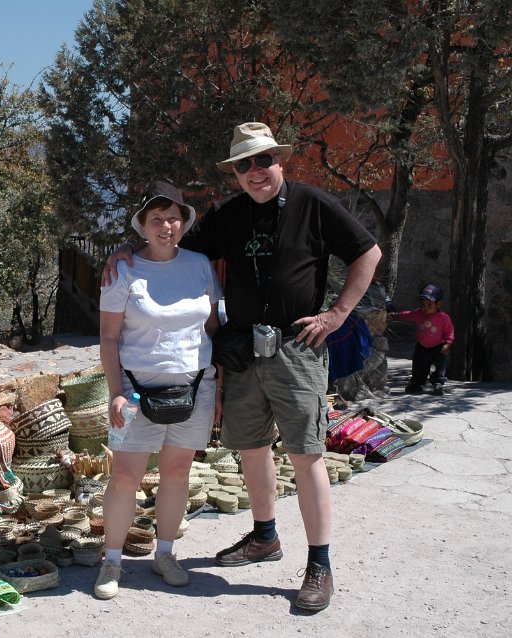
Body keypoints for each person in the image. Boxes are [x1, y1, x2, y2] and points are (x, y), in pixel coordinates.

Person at [103, 123, 382, 611]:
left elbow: (369, 252)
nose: (255, 171)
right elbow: (169, 244)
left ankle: (319, 565)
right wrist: (125, 249)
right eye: (244, 164)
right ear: (235, 172)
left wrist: (336, 315)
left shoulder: (313, 204)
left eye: (263, 160)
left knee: (306, 454)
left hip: (297, 346)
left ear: (280, 160)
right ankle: (264, 536)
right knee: (252, 447)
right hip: (243, 351)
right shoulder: (228, 215)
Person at [93, 180, 222, 600]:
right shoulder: (123, 269)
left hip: (195, 386)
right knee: (125, 476)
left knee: (177, 473)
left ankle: (165, 554)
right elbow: (109, 337)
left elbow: (212, 327)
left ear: (184, 222)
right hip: (135, 389)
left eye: (173, 218)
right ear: (143, 225)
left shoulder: (200, 265)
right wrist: (115, 391)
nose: (166, 226)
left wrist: (219, 385)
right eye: (157, 219)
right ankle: (112, 561)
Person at [389, 283, 454, 396]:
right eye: (423, 305)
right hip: (422, 347)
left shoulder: (444, 318)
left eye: (429, 305)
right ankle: (416, 384)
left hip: (439, 347)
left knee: (440, 366)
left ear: (438, 304)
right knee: (419, 367)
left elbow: (449, 331)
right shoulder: (418, 313)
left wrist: (448, 343)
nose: (425, 308)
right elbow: (407, 314)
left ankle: (438, 383)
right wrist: (396, 315)